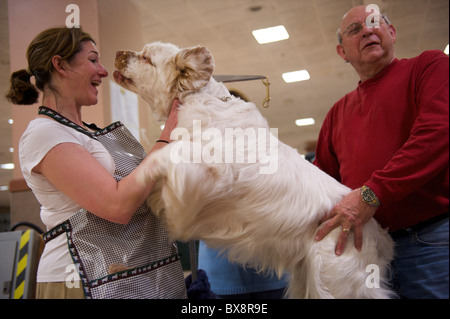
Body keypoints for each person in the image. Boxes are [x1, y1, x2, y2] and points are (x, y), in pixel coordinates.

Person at [6, 27, 187, 299]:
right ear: (60, 65)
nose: (103, 71)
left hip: (132, 273)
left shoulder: (88, 133)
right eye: (93, 60)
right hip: (79, 279)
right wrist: (167, 137)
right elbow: (117, 205)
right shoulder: (44, 134)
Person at [313, 5, 449, 299]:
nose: (367, 30)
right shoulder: (337, 113)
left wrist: (372, 193)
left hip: (431, 240)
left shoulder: (429, 65)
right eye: (354, 29)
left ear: (392, 33)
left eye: (375, 23)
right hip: (364, 252)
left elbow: (438, 133)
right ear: (342, 52)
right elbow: (321, 183)